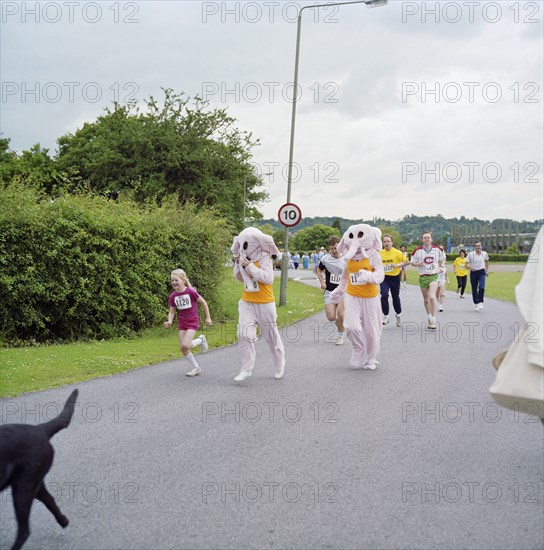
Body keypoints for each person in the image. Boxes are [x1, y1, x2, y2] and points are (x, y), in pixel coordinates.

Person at [231, 227, 285, 382]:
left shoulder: (264, 257)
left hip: (265, 303)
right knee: (243, 334)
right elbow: (240, 279)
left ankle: (279, 364)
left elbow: (268, 278)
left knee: (271, 337)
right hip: (247, 301)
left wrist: (249, 266)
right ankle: (246, 369)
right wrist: (238, 265)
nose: (244, 248)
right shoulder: (243, 257)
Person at [164, 269, 212, 377]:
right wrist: (170, 321)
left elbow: (203, 302)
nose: (174, 282)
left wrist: (208, 318)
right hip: (182, 323)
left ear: (183, 280)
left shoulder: (190, 291)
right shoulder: (173, 296)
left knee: (185, 345)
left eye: (176, 280)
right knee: (183, 347)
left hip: (192, 321)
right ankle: (196, 367)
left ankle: (200, 340)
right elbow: (172, 311)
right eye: (172, 280)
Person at [410, 232, 445, 329]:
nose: (426, 239)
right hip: (423, 277)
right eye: (425, 238)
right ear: (422, 240)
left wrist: (441, 266)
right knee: (426, 299)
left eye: (428, 238)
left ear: (431, 239)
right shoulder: (417, 251)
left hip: (433, 276)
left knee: (432, 297)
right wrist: (418, 264)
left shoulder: (437, 249)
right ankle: (429, 317)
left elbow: (443, 259)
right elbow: (412, 262)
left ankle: (433, 320)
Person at [316, 236, 346, 345]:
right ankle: (340, 324)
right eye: (331, 249)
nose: (333, 251)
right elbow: (318, 270)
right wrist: (322, 282)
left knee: (341, 315)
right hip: (329, 291)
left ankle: (340, 336)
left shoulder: (346, 259)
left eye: (335, 248)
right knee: (331, 317)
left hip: (342, 292)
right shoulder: (325, 259)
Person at [379, 235, 408, 326]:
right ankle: (386, 316)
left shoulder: (397, 252)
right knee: (384, 295)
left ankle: (398, 314)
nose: (386, 243)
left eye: (388, 241)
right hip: (384, 278)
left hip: (395, 277)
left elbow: (407, 262)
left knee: (395, 297)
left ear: (392, 242)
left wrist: (398, 265)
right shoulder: (380, 253)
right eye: (384, 241)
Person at [466, 242, 490, 310]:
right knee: (474, 288)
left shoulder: (484, 253)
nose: (478, 247)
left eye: (479, 246)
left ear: (481, 246)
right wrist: (470, 268)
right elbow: (466, 264)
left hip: (481, 271)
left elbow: (487, 262)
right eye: (476, 246)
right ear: (474, 247)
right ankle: (476, 303)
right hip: (473, 272)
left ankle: (481, 301)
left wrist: (487, 271)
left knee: (482, 286)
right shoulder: (470, 254)